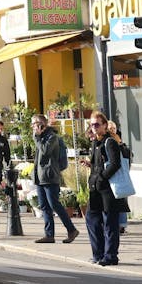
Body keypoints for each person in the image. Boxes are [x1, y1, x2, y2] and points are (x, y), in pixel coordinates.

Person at [84, 112, 129, 267]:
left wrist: (102, 176)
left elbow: (115, 164)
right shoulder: (96, 142)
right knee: (92, 220)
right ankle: (98, 254)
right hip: (96, 189)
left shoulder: (110, 141)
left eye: (97, 124)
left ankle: (110, 256)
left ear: (104, 125)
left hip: (108, 190)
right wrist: (92, 167)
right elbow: (100, 162)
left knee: (109, 223)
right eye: (91, 125)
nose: (94, 127)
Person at [31, 115, 79, 244]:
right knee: (44, 206)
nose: (33, 127)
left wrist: (37, 137)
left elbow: (45, 151)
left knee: (54, 204)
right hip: (40, 177)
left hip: (50, 176)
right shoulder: (41, 137)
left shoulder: (52, 137)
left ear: (42, 125)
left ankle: (71, 229)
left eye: (34, 124)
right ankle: (49, 235)